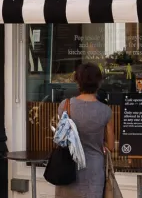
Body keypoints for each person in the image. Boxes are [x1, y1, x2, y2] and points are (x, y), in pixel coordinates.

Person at [55, 63, 116, 198]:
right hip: (93, 172)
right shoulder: (106, 111)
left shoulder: (64, 106)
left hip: (67, 168)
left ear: (78, 81)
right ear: (99, 82)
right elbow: (110, 146)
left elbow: (62, 137)